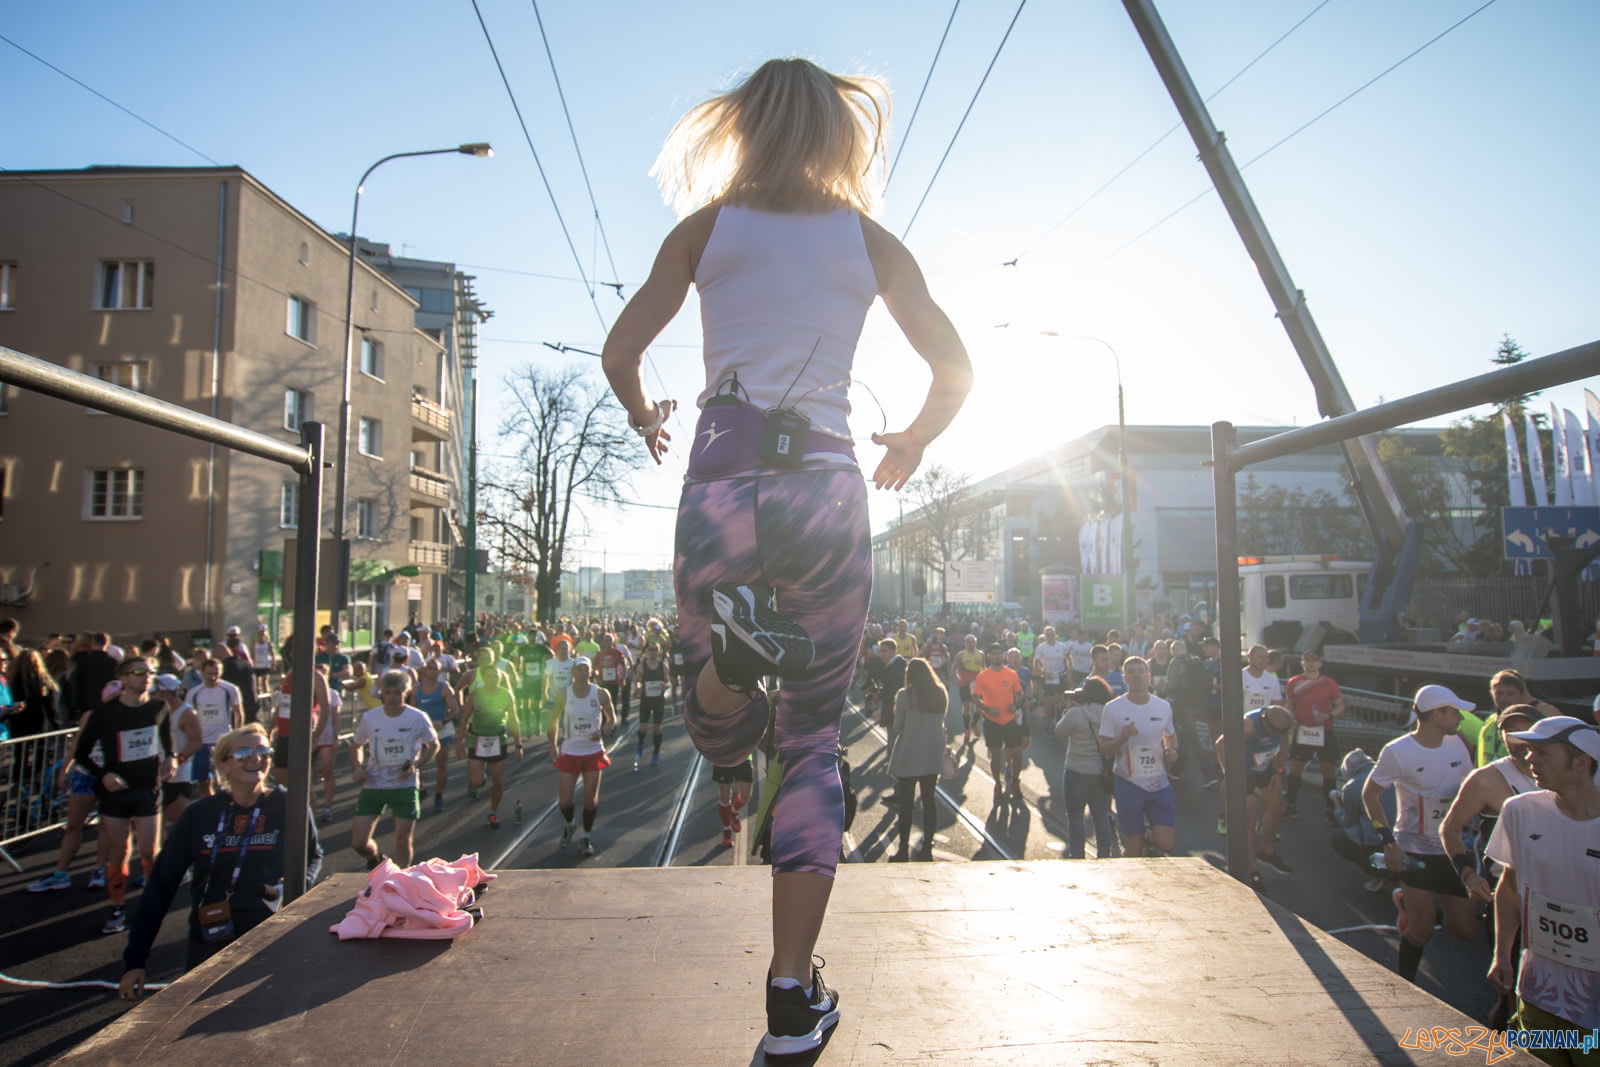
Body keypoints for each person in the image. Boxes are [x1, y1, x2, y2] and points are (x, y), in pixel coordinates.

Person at [600, 55, 972, 1058]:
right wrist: (913, 441)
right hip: (823, 483)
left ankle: (728, 662)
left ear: (745, 130)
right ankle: (788, 988)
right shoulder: (868, 239)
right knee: (809, 746)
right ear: (839, 137)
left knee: (718, 734)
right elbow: (954, 365)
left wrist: (644, 413)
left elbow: (618, 348)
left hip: (721, 480)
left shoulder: (703, 229)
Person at [118, 724, 322, 1001]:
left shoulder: (289, 804)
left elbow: (313, 856)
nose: (256, 759)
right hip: (211, 938)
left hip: (273, 934)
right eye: (245, 753)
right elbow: (160, 887)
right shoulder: (200, 814)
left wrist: (299, 885)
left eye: (264, 751)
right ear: (223, 765)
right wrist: (136, 961)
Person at [1486, 716, 1600, 1056]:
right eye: (1528, 750)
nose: (1529, 759)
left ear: (1581, 763)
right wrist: (1501, 953)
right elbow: (1508, 885)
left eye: (1543, 752)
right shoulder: (1519, 811)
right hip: (1538, 991)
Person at [1363, 684, 1478, 983]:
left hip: (1453, 850)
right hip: (1414, 850)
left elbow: (1470, 786)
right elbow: (1370, 794)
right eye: (1453, 712)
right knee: (1422, 928)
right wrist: (1388, 843)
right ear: (1435, 714)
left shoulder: (1457, 744)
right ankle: (1405, 984)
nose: (1460, 718)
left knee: (1465, 931)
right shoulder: (1398, 751)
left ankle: (1412, 902)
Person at [1439, 703, 1542, 1030]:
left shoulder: (1566, 777)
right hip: (1507, 892)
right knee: (1511, 982)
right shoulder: (1487, 779)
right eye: (1510, 732)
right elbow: (1450, 827)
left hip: (1556, 895)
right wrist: (1468, 874)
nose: (1518, 739)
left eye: (1525, 730)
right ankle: (1508, 1036)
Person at [72, 656, 176, 934]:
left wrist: (172, 758)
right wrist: (103, 774)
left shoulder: (159, 707)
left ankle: (152, 905)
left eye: (150, 672)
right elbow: (81, 752)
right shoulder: (105, 714)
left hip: (148, 789)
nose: (146, 677)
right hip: (115, 793)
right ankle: (116, 906)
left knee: (149, 852)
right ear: (124, 678)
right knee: (119, 852)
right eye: (139, 672)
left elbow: (165, 739)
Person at [349, 670, 439, 869]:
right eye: (387, 692)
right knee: (358, 842)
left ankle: (400, 882)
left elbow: (433, 745)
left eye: (397, 692)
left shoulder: (417, 717)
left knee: (402, 839)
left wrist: (416, 764)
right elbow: (356, 745)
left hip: (404, 785)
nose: (392, 697)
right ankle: (375, 857)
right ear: (381, 693)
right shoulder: (370, 718)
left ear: (405, 692)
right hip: (374, 783)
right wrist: (357, 767)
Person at [1098, 657, 1178, 857]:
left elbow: (1170, 735)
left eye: (1141, 671)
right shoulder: (1113, 708)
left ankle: (1148, 835)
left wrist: (1172, 750)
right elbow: (1104, 748)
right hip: (1129, 783)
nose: (1137, 676)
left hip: (1159, 783)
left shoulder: (1163, 706)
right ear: (1125, 678)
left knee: (1167, 844)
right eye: (1131, 672)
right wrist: (1123, 737)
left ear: (1148, 677)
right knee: (1134, 850)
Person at [1215, 702, 1295, 888]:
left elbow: (1284, 742)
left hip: (1265, 770)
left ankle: (1268, 852)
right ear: (1267, 726)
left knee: (1277, 808)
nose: (1280, 735)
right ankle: (1252, 870)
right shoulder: (1248, 725)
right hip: (1244, 775)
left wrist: (1278, 770)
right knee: (1250, 821)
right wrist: (1229, 773)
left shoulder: (1283, 724)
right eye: (1276, 733)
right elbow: (1220, 743)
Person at [548, 657, 615, 857]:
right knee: (565, 801)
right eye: (579, 669)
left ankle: (586, 837)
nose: (582, 672)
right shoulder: (563, 694)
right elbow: (552, 721)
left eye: (586, 669)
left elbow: (612, 719)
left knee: (589, 801)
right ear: (573, 672)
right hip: (570, 750)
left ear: (591, 671)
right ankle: (570, 823)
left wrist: (603, 730)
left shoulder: (601, 693)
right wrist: (552, 745)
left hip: (593, 750)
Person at [887, 658, 947, 861]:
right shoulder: (940, 693)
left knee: (906, 803)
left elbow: (897, 727)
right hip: (932, 751)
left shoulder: (905, 695)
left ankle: (903, 849)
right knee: (929, 800)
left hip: (910, 751)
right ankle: (927, 848)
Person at [1054, 677, 1115, 859]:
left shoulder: (1076, 713)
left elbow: (1059, 731)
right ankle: (1104, 854)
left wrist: (1067, 709)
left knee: (1075, 817)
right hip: (1098, 772)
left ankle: (1078, 856)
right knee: (1101, 816)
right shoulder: (1108, 713)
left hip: (1076, 771)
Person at [1282, 649, 1344, 819]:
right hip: (1303, 730)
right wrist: (1289, 719)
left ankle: (1331, 809)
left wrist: (1329, 715)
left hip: (1324, 730)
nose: (1310, 663)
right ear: (1302, 663)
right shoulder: (1293, 682)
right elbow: (1289, 704)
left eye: (1314, 660)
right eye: (1306, 660)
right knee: (1296, 768)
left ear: (1320, 663)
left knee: (1328, 770)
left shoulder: (1329, 683)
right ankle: (1291, 805)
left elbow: (1340, 707)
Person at [460, 664, 522, 828]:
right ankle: (480, 777)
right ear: (484, 678)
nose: (492, 679)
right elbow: (464, 719)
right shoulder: (475, 695)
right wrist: (459, 742)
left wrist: (518, 745)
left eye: (495, 676)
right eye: (489, 676)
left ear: (500, 678)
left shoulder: (506, 695)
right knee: (476, 781)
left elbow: (514, 720)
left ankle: (492, 812)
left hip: (498, 740)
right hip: (477, 740)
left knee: (498, 781)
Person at [971, 644, 1025, 803]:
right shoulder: (982, 676)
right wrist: (987, 708)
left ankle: (1015, 781)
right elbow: (975, 698)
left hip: (1010, 720)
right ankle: (997, 784)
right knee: (995, 755)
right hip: (992, 721)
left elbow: (1020, 695)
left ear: (1004, 656)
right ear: (988, 656)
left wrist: (1015, 705)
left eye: (999, 654)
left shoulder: (1012, 674)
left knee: (1017, 753)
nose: (997, 656)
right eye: (993, 654)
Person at [414, 657, 462, 814]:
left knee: (441, 764)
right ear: (424, 670)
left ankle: (439, 796)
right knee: (417, 763)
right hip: (421, 732)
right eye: (430, 667)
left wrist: (443, 720)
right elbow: (412, 710)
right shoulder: (416, 689)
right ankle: (419, 788)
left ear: (440, 671)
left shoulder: (444, 688)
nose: (432, 670)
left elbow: (454, 710)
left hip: (440, 731)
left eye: (436, 668)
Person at [632, 640, 675, 767]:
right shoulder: (642, 665)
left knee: (657, 729)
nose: (653, 652)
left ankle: (655, 753)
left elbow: (669, 682)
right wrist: (639, 687)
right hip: (646, 699)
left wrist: (665, 684)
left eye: (655, 649)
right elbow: (637, 681)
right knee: (643, 728)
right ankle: (640, 744)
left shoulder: (663, 665)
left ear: (659, 651)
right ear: (647, 651)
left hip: (658, 701)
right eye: (650, 650)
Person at [954, 634, 984, 747]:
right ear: (965, 643)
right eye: (968, 642)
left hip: (977, 684)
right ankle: (967, 730)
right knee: (966, 707)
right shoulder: (960, 655)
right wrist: (957, 678)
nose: (970, 644)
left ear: (976, 643)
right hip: (965, 683)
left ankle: (974, 724)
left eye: (972, 642)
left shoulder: (980, 654)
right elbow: (954, 668)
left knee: (979, 708)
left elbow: (984, 669)